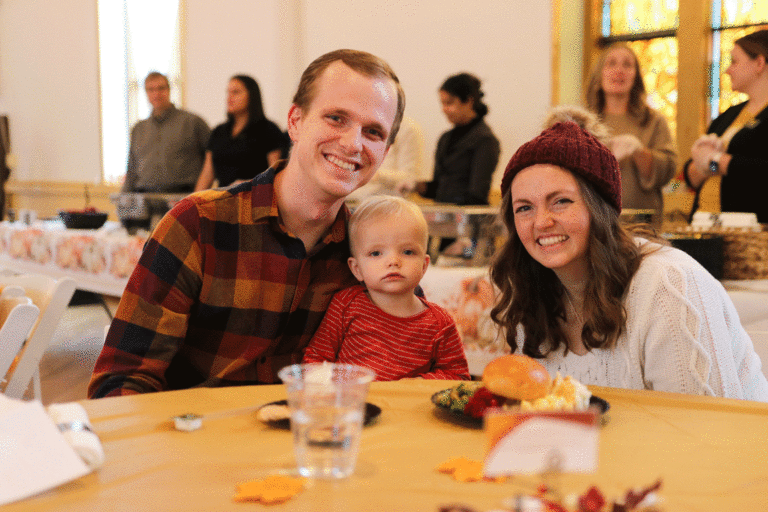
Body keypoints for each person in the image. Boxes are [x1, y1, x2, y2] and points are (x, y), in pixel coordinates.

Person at [88, 49, 405, 398]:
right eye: (336, 118)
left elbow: (411, 363)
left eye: (373, 132)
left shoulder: (375, 252)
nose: (353, 143)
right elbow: (121, 383)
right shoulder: (197, 225)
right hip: (194, 438)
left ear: (385, 153)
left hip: (311, 442)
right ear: (295, 121)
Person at [489, 121, 768, 401]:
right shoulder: (530, 288)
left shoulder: (667, 285)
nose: (541, 222)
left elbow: (705, 430)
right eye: (524, 208)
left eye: (561, 201)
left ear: (599, 208)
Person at [303, 195, 470, 381]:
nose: (393, 261)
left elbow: (458, 375)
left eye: (407, 252)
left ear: (424, 265)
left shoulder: (441, 324)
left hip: (406, 408)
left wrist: (420, 384)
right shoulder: (345, 304)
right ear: (357, 269)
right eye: (376, 253)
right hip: (352, 405)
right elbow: (316, 358)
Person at [585, 43, 677, 225]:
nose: (619, 70)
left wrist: (638, 151)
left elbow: (668, 170)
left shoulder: (653, 121)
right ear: (599, 74)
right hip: (595, 221)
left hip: (641, 223)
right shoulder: (584, 122)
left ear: (636, 76)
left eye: (627, 65)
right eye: (611, 63)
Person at [684, 29, 768, 223]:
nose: (727, 70)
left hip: (750, 229)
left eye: (734, 61)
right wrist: (708, 163)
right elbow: (691, 175)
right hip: (704, 222)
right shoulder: (728, 115)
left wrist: (717, 160)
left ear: (759, 63)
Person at [194, 75, 289, 191]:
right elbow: (206, 175)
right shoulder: (219, 131)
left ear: (252, 96)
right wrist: (193, 201)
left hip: (254, 198)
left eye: (236, 92)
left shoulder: (268, 130)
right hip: (222, 199)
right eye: (228, 93)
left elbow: (275, 173)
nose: (229, 98)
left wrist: (249, 184)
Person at [418, 72, 500, 206]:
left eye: (449, 103)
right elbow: (438, 188)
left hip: (467, 221)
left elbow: (477, 195)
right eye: (442, 103)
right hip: (444, 218)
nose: (444, 109)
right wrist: (416, 186)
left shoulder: (485, 140)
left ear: (468, 101)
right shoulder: (445, 138)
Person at [123, 72, 210, 194]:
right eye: (151, 89)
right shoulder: (139, 129)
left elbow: (211, 160)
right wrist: (124, 199)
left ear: (169, 90)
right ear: (146, 93)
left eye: (161, 88)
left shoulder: (192, 123)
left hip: (182, 196)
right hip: (146, 199)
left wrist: (200, 194)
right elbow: (132, 169)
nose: (156, 94)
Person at [345, 116, 426, 202]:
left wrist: (376, 175)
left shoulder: (407, 129)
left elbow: (410, 178)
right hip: (353, 200)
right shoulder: (359, 124)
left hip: (387, 205)